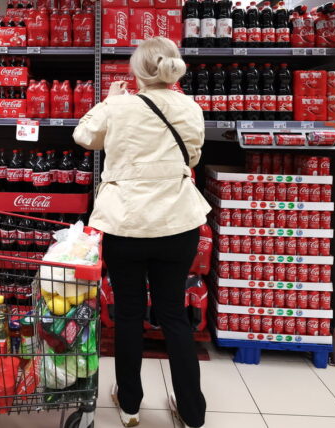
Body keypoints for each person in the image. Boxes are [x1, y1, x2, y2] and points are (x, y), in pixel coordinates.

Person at [73, 37, 210, 428]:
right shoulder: (190, 107)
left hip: (125, 225)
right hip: (177, 223)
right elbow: (194, 155)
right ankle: (191, 412)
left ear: (135, 72)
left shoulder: (119, 106)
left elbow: (84, 137)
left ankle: (130, 406)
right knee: (173, 316)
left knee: (129, 315)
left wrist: (109, 101)